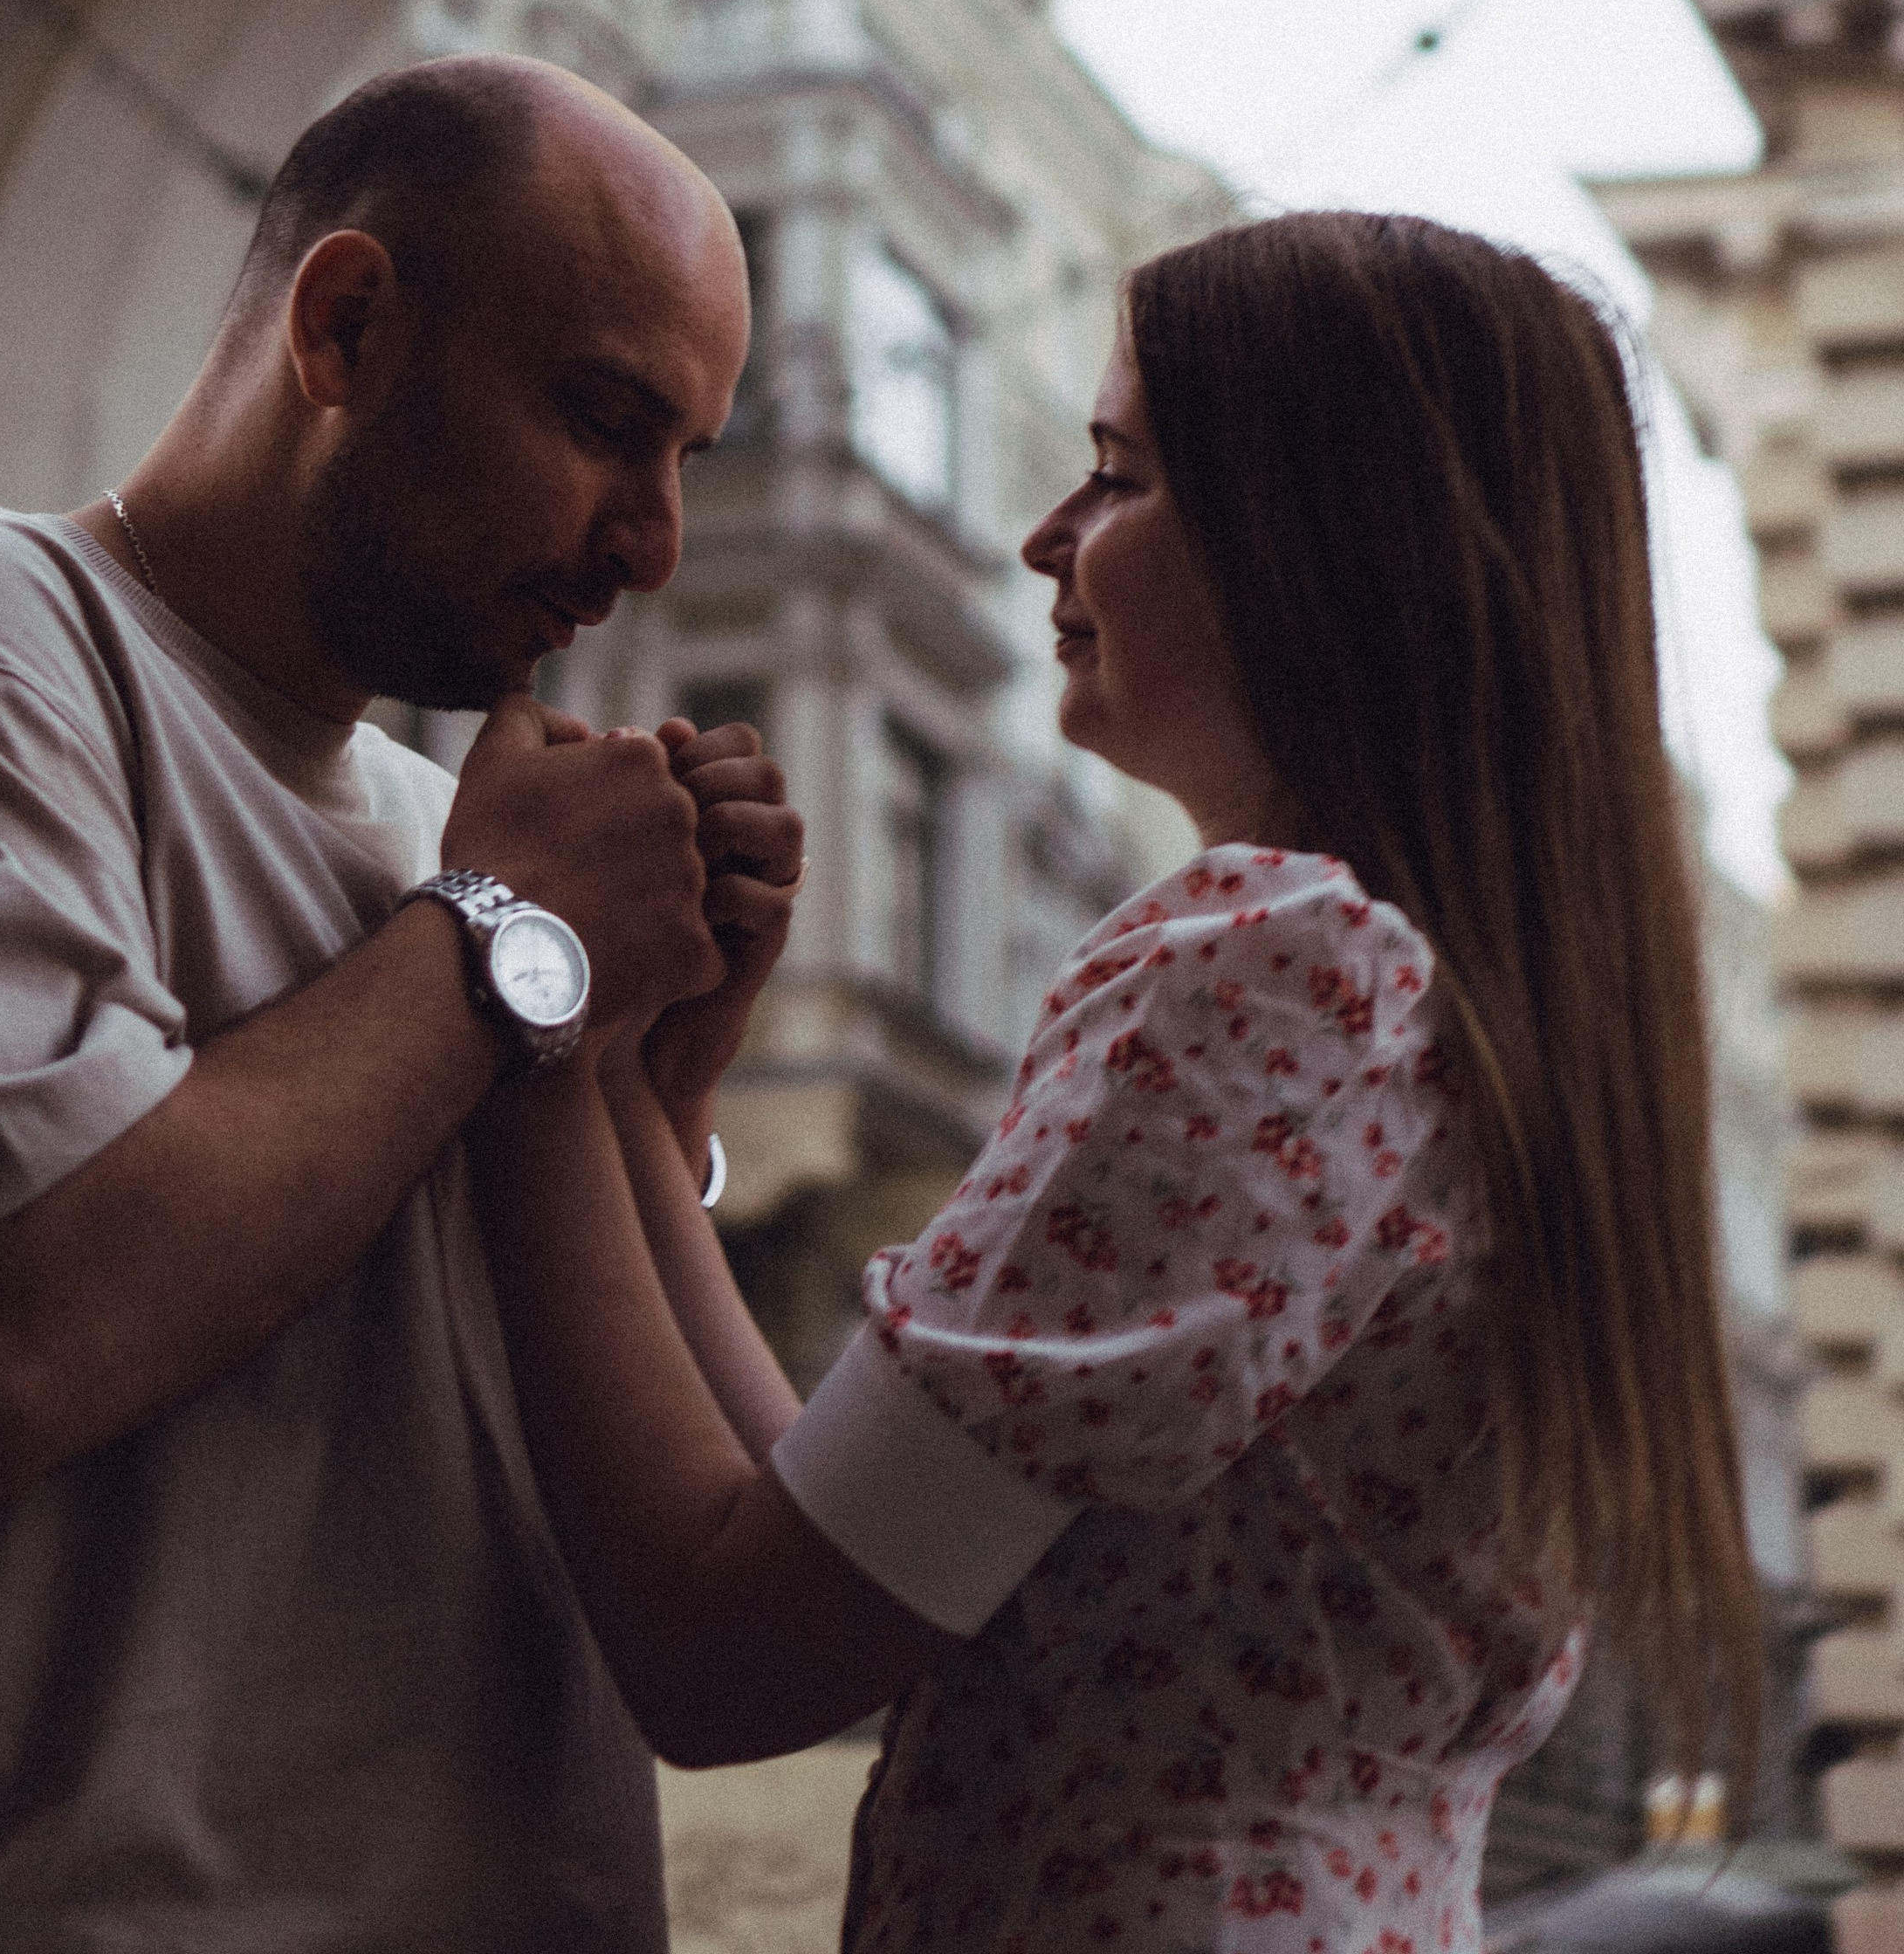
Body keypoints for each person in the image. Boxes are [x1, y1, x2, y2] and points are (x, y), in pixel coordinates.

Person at [472, 210, 1766, 1951]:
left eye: (1117, 476)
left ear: (1325, 541)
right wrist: (635, 1094)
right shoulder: (1460, 1011)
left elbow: (726, 1656)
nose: (1042, 537)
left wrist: (523, 973)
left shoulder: (1277, 971)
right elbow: (843, 1540)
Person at [0, 56, 804, 1951]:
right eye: (606, 422)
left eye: (687, 456)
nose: (651, 540)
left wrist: (647, 1086)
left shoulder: (462, 849)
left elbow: (677, 1574)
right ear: (344, 325)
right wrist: (508, 940)